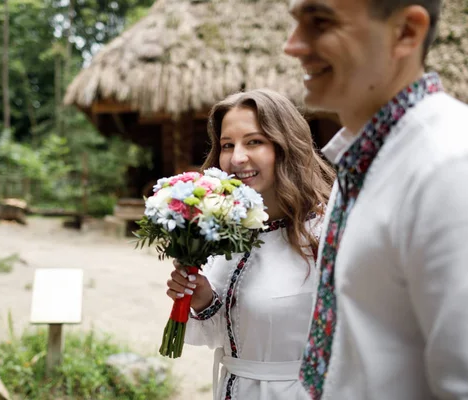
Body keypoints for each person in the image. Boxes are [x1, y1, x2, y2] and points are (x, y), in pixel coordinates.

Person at [284, 0, 468, 399]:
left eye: (320, 22)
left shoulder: (450, 167)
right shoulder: (360, 162)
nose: (292, 45)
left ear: (406, 32)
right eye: (296, 23)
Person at [166, 88, 334, 400]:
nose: (237, 157)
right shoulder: (227, 229)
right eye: (227, 145)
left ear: (285, 146)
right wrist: (203, 298)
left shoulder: (325, 232)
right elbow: (234, 332)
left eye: (254, 141)